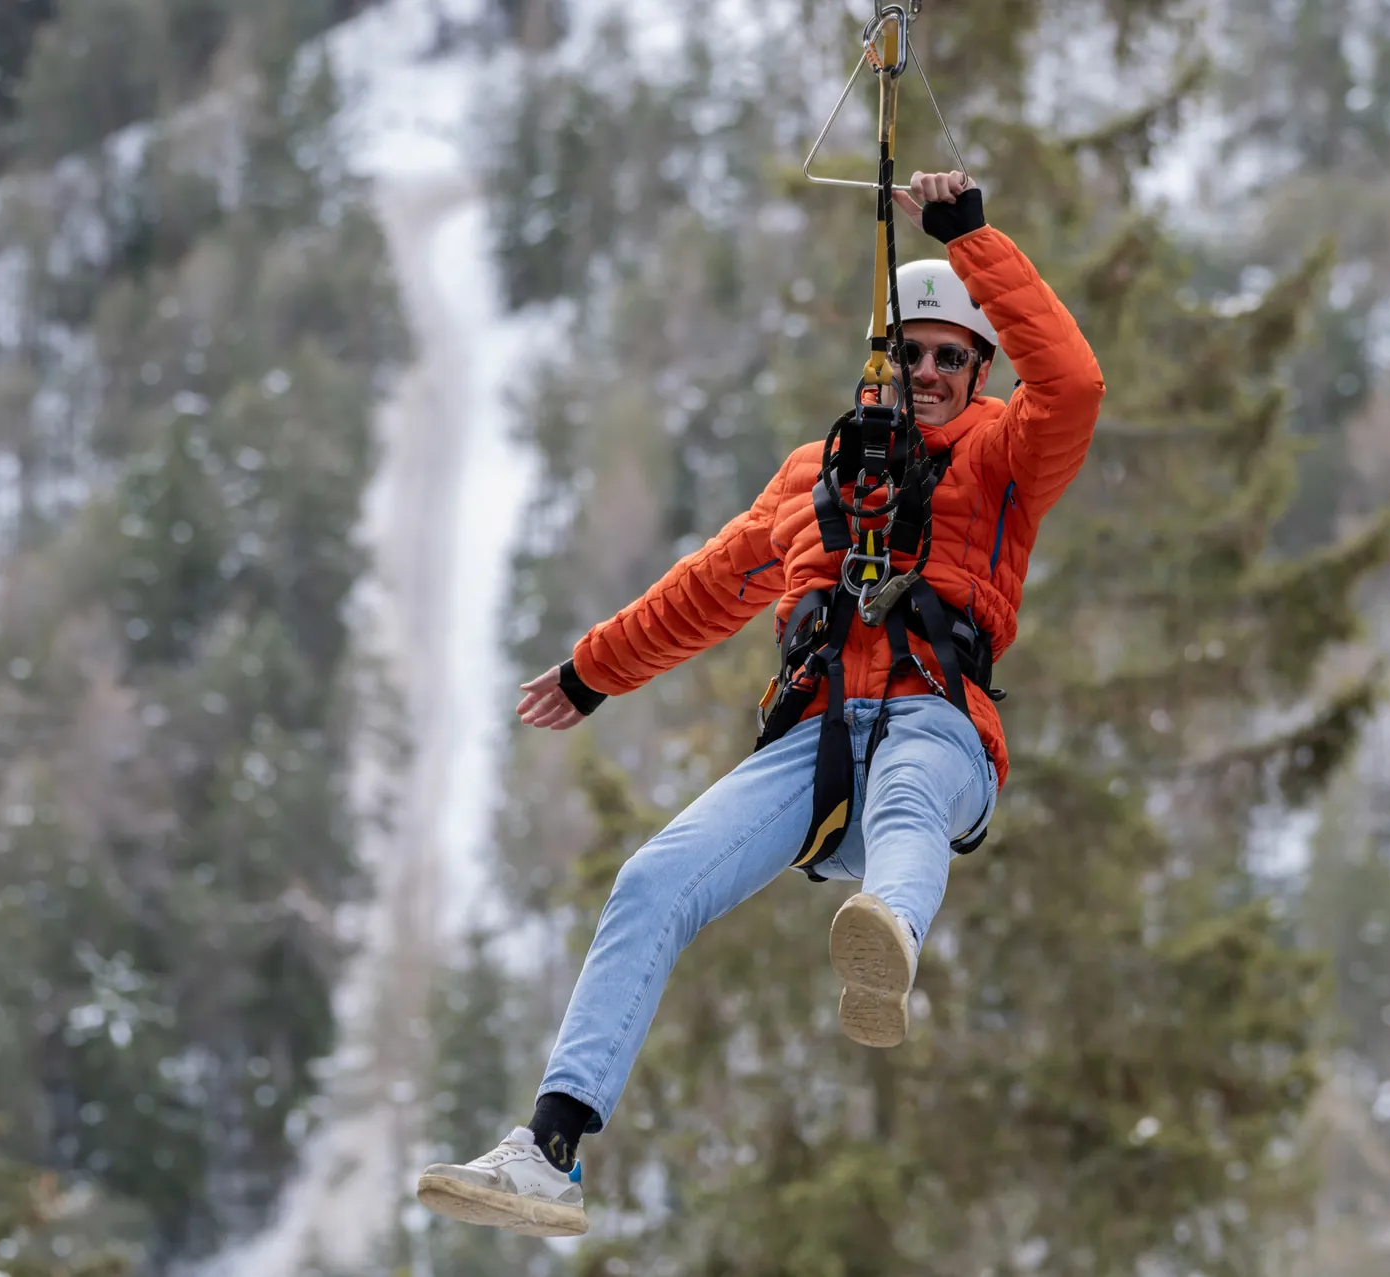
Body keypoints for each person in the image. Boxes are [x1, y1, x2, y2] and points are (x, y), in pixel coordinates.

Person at [415, 170, 1104, 1238]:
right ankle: (549, 1148)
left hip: (937, 721)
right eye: (911, 352)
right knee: (653, 880)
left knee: (913, 799)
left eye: (950, 356)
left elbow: (1075, 385)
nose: (928, 370)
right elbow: (704, 588)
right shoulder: (818, 480)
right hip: (819, 745)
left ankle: (888, 938)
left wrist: (974, 243)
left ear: (977, 371)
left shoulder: (1007, 456)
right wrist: (595, 670)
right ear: (882, 360)